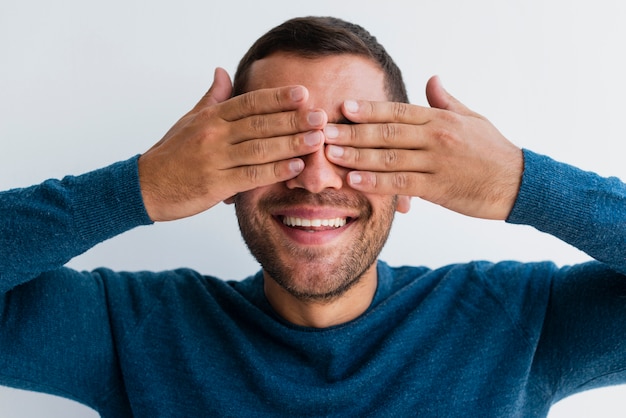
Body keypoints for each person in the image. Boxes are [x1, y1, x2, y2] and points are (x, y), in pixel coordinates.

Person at [1, 15, 624, 417]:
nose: (317, 177)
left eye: (358, 145)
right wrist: (140, 186)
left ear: (409, 179)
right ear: (219, 179)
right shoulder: (129, 331)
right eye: (275, 145)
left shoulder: (520, 320)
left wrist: (523, 183)